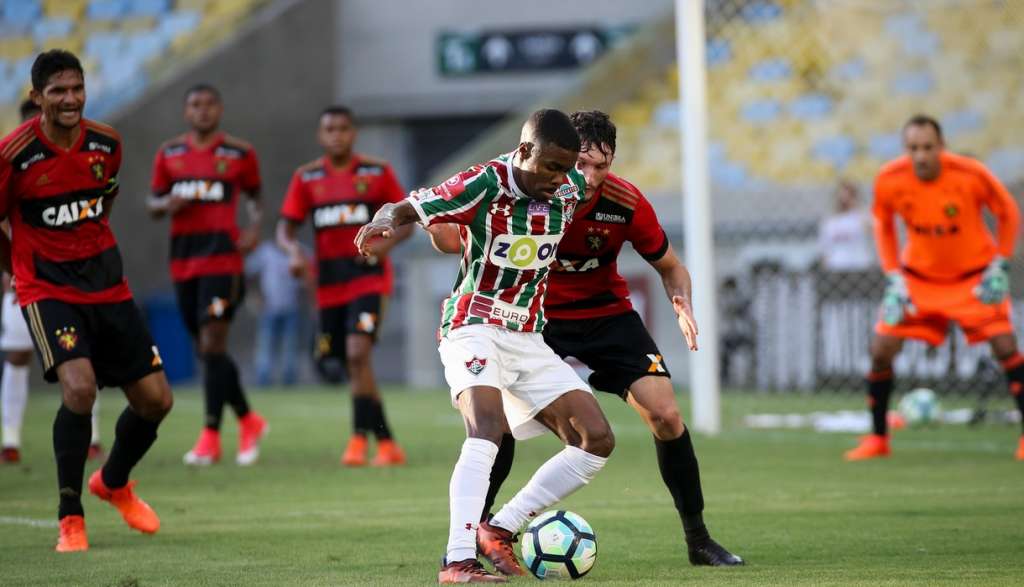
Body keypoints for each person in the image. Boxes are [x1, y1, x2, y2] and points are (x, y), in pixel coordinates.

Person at [428, 110, 742, 566]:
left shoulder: (625, 202)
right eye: (582, 164)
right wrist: (435, 225)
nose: (591, 176)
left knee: (667, 415)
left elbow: (671, 266)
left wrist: (682, 303)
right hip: (536, 321)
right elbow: (457, 239)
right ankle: (480, 532)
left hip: (606, 317)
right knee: (496, 426)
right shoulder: (532, 191)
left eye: (603, 165)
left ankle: (698, 540)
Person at [357, 109, 615, 583]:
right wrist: (384, 219)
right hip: (472, 323)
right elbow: (416, 204)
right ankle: (457, 561)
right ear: (522, 152)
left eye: (568, 168)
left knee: (595, 439)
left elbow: (603, 186)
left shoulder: (571, 188)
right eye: (552, 167)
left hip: (528, 336)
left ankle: (500, 528)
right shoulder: (485, 181)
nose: (562, 180)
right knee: (488, 428)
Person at [0, 49, 174, 551]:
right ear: (38, 98)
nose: (70, 98)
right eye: (58, 91)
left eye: (76, 88)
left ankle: (112, 482)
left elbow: (106, 196)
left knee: (156, 401)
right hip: (48, 288)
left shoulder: (107, 142)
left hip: (108, 285)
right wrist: (15, 269)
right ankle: (69, 515)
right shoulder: (14, 155)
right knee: (80, 390)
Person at [845, 114, 1024, 461]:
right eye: (913, 148)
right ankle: (879, 438)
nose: (921, 155)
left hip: (973, 278)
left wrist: (1000, 262)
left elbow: (1007, 211)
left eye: (928, 147)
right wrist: (894, 275)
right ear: (905, 149)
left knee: (1005, 345)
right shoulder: (890, 178)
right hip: (918, 280)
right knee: (881, 348)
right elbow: (882, 223)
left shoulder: (971, 174)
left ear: (941, 147)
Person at [277, 106, 410, 466]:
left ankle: (356, 440)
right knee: (351, 362)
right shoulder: (307, 178)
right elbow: (285, 230)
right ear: (321, 136)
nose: (337, 134)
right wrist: (293, 253)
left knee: (356, 353)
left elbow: (407, 220)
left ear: (354, 133)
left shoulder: (377, 173)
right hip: (329, 285)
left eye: (343, 128)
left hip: (368, 278)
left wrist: (384, 246)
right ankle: (386, 442)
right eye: (329, 129)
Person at [148, 83, 267, 466]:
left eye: (209, 104)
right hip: (184, 262)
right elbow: (152, 203)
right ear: (186, 112)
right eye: (195, 105)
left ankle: (211, 436)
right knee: (205, 349)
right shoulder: (170, 154)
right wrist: (167, 203)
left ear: (219, 109)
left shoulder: (239, 154)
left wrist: (253, 230)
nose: (203, 111)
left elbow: (255, 198)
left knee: (214, 345)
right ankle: (249, 420)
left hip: (223, 261)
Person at [1, 99, 104, 463]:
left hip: (76, 281)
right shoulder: (12, 163)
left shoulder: (79, 160)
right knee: (16, 355)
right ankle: (10, 438)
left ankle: (92, 436)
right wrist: (10, 273)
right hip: (27, 280)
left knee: (81, 357)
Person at [245, 239, 307, 387]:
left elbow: (310, 270)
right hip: (270, 307)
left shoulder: (298, 250)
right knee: (266, 344)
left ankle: (289, 380)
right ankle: (263, 379)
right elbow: (247, 271)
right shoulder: (266, 252)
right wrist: (254, 295)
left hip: (291, 307)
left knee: (289, 345)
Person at [818, 179, 873, 271]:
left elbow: (870, 230)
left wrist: (857, 207)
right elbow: (824, 246)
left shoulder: (861, 215)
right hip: (837, 265)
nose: (845, 199)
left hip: (860, 264)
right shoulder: (831, 220)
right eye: (842, 195)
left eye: (850, 195)